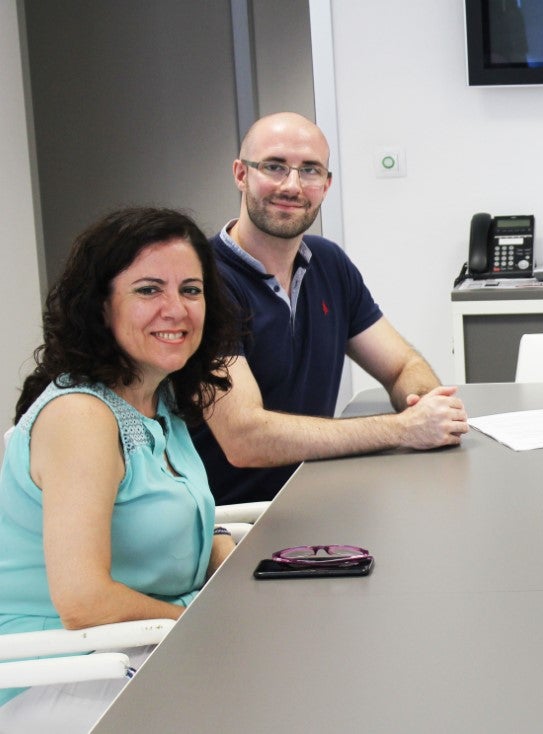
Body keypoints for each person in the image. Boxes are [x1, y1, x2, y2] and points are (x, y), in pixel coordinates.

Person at [0, 208, 241, 730]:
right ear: (101, 306)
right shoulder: (81, 416)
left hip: (139, 644)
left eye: (192, 290)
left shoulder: (159, 400)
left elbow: (161, 513)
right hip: (61, 669)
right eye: (149, 290)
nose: (176, 309)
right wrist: (203, 625)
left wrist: (216, 542)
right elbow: (83, 602)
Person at [191, 112, 468, 504]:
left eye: (309, 171)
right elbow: (244, 437)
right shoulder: (200, 281)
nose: (292, 185)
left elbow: (402, 364)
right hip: (234, 523)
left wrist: (424, 404)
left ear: (327, 184)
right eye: (274, 166)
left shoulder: (328, 263)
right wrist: (404, 429)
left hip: (314, 495)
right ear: (241, 174)